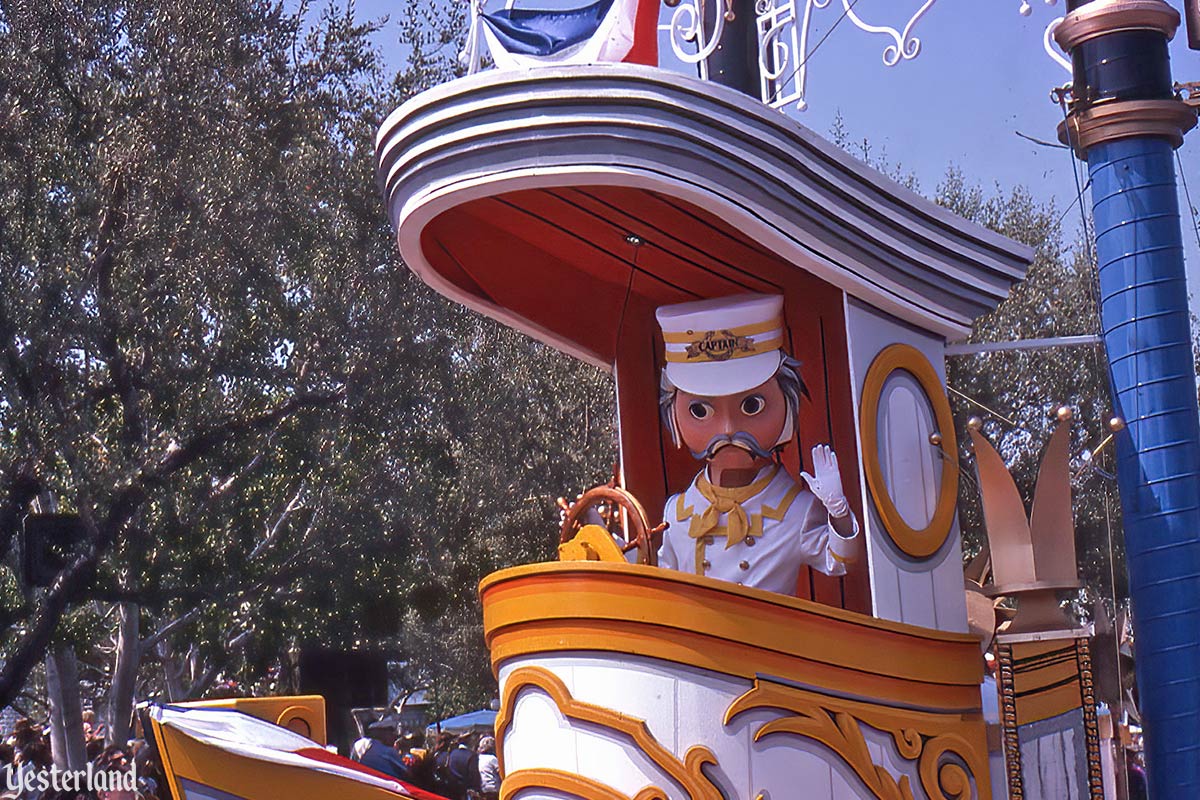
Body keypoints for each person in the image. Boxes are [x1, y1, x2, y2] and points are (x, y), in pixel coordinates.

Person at [655, 294, 859, 595]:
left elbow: (839, 561)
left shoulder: (795, 511)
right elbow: (663, 582)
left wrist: (838, 513)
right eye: (700, 411)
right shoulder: (677, 512)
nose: (727, 429)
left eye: (751, 406)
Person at [476, 736, 499, 800]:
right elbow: (500, 772)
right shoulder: (492, 758)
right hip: (493, 788)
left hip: (483, 788)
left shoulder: (478, 758)